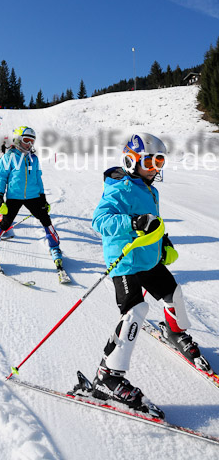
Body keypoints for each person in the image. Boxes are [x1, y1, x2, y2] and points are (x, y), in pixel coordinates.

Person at [90, 132, 211, 412]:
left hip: (149, 259)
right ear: (131, 161)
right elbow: (100, 221)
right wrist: (133, 221)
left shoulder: (148, 188)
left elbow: (152, 222)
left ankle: (174, 332)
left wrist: (162, 239)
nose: (155, 168)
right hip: (126, 263)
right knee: (135, 313)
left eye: (160, 162)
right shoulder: (119, 187)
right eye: (149, 162)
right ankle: (108, 376)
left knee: (174, 295)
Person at [0, 126, 65, 275]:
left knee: (45, 219)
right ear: (18, 139)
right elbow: (2, 177)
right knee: (6, 222)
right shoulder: (9, 156)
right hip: (14, 195)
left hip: (33, 196)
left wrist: (43, 196)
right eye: (26, 140)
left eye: (32, 141)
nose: (29, 144)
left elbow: (38, 178)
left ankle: (55, 247)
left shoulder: (34, 158)